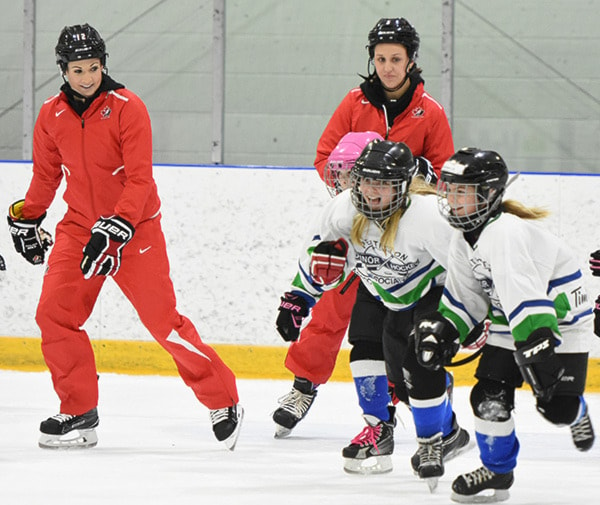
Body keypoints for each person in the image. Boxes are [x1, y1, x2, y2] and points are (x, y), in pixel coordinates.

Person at [6, 24, 242, 450]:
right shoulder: (51, 114)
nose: (87, 77)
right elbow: (45, 177)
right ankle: (79, 411)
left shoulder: (128, 107)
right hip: (79, 229)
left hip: (136, 232)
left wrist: (118, 226)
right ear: (63, 70)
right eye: (78, 70)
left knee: (163, 324)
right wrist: (27, 216)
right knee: (54, 314)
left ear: (103, 65)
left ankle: (222, 400)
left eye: (94, 68)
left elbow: (139, 180)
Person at [272, 16, 453, 438]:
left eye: (396, 58)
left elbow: (445, 177)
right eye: (380, 58)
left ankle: (401, 397)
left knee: (396, 324)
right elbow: (324, 158)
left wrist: (422, 175)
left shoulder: (432, 114)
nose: (387, 66)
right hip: (357, 230)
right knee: (329, 314)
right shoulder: (354, 103)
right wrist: (349, 186)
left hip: (401, 238)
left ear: (411, 61)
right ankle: (303, 386)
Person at [276, 140, 469, 482]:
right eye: (364, 180)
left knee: (414, 369)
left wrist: (474, 314)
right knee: (365, 349)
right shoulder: (342, 209)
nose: (369, 191)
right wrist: (299, 299)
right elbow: (319, 258)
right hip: (380, 288)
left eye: (382, 183)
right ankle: (379, 430)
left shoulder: (427, 215)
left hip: (430, 290)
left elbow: (467, 267)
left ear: (402, 186)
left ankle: (441, 436)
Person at [414, 148, 596, 502]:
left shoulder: (506, 232)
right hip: (511, 318)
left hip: (558, 319)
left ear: (490, 194)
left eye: (462, 192)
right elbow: (467, 298)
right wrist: (444, 329)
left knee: (556, 409)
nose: (452, 200)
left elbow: (526, 294)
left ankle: (577, 412)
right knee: (488, 398)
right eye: (449, 190)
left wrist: (537, 344)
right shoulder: (462, 236)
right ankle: (498, 472)